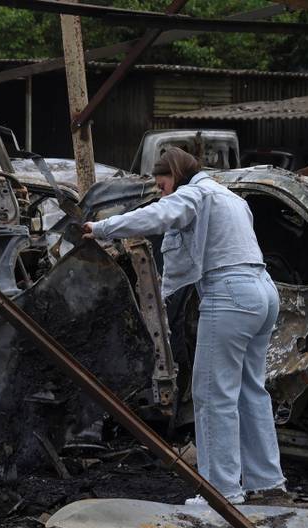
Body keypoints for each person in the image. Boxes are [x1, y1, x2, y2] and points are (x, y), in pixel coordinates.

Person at [82, 147, 286, 505]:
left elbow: (157, 217)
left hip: (230, 294)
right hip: (264, 292)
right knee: (251, 390)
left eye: (162, 184)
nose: (162, 192)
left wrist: (101, 228)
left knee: (212, 394)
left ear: (175, 175)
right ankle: (267, 482)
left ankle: (220, 492)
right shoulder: (230, 197)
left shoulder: (195, 193)